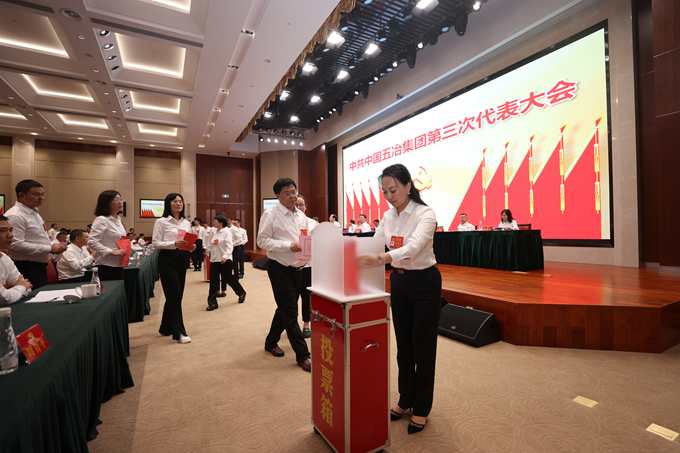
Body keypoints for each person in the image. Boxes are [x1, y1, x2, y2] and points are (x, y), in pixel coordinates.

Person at [357, 164, 441, 435]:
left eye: (393, 190)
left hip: (424, 282)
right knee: (403, 345)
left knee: (423, 347)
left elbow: (413, 248)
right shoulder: (387, 216)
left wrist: (380, 258)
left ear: (408, 186)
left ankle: (422, 407)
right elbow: (374, 242)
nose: (389, 196)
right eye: (384, 192)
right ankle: (406, 398)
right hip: (399, 282)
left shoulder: (425, 213)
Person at [258, 178, 311, 372]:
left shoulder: (301, 216)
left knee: (284, 308)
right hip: (280, 268)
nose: (292, 196)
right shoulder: (270, 214)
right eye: (287, 193)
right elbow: (262, 241)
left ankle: (270, 342)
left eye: (294, 191)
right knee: (291, 312)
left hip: (299, 268)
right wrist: (287, 245)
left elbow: (306, 238)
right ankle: (303, 355)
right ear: (278, 196)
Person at [5, 179, 65, 289]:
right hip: (26, 267)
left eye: (43, 194)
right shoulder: (16, 215)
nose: (41, 198)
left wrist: (52, 246)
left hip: (38, 266)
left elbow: (38, 238)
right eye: (36, 195)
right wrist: (49, 248)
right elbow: (14, 245)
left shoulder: (34, 213)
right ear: (22, 195)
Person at [153, 193, 196, 344]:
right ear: (168, 204)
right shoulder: (162, 221)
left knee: (176, 295)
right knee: (175, 295)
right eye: (175, 201)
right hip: (167, 259)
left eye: (180, 201)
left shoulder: (186, 223)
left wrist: (191, 247)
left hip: (182, 259)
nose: (178, 203)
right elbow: (155, 243)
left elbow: (187, 242)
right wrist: (173, 244)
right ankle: (179, 333)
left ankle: (165, 328)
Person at [206, 215, 246, 311]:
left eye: (215, 221)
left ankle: (241, 292)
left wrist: (225, 256)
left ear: (221, 223)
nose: (214, 222)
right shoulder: (214, 232)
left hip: (224, 260)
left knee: (229, 279)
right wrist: (209, 254)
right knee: (213, 282)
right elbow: (211, 245)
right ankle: (212, 303)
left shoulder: (227, 232)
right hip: (214, 260)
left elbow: (230, 246)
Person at [89, 190, 127, 281]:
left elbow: (121, 240)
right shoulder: (102, 220)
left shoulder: (118, 220)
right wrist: (111, 252)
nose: (120, 202)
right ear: (106, 203)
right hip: (106, 265)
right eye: (116, 199)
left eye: (121, 199)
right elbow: (92, 242)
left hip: (119, 264)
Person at [295, 195, 317, 338]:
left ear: (305, 207)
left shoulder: (312, 223)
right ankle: (291, 325)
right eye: (296, 205)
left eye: (301, 205)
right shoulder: (288, 223)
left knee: (306, 296)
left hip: (308, 265)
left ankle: (306, 324)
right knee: (291, 298)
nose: (298, 207)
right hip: (292, 265)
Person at [0, 215, 33, 304]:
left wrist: (18, 289)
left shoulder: (4, 257)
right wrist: (21, 288)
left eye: (10, 230)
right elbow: (3, 298)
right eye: (2, 231)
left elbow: (27, 286)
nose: (10, 235)